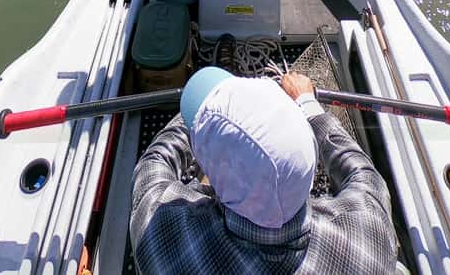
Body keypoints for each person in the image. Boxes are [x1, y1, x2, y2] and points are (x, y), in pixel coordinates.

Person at [129, 68, 399, 274]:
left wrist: (203, 118)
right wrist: (307, 103)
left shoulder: (161, 244)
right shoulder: (371, 239)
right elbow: (359, 169)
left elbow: (155, 162)